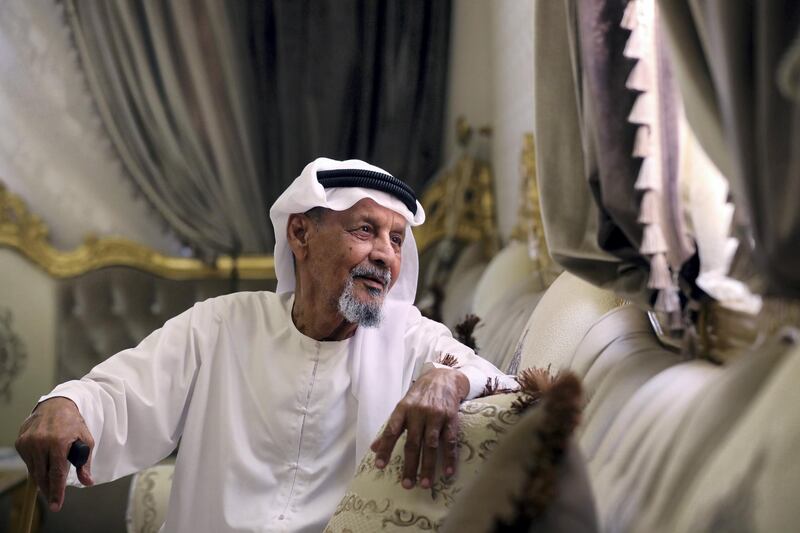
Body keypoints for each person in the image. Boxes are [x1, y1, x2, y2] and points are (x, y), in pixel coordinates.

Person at [15, 157, 515, 532]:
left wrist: (450, 378)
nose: (385, 255)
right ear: (300, 234)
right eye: (366, 230)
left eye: (397, 239)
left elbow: (496, 382)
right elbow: (121, 393)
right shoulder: (222, 325)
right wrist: (66, 401)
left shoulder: (407, 335)